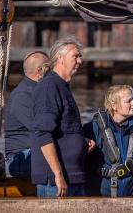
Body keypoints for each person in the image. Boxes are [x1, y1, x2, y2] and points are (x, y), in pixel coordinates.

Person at [30, 36, 95, 197]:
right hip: (56, 182)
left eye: (80, 56)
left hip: (74, 176)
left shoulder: (63, 87)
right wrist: (58, 175)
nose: (80, 61)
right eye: (76, 56)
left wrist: (81, 140)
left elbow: (64, 128)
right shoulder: (49, 87)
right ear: (60, 58)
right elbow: (43, 134)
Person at [84, 85, 133, 197]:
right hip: (103, 190)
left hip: (130, 189)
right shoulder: (94, 128)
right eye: (128, 101)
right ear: (114, 105)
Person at [4, 51, 48, 179]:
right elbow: (42, 129)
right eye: (49, 67)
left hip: (35, 152)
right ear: (40, 71)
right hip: (20, 158)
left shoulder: (40, 90)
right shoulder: (22, 95)